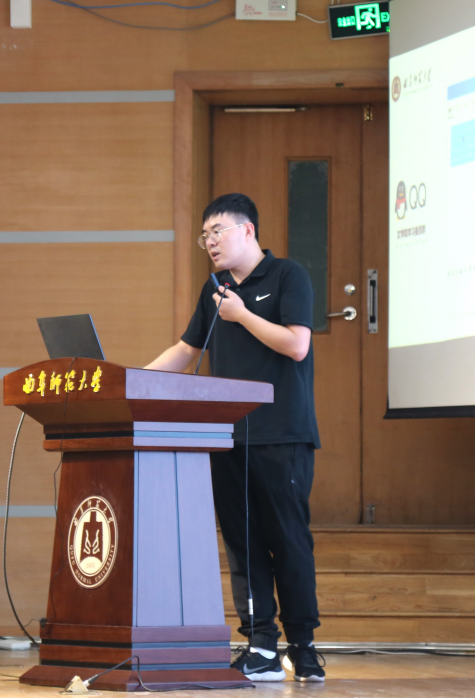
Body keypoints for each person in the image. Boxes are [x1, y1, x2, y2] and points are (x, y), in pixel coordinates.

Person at [145, 193, 324, 683]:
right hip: (227, 438)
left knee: (288, 541)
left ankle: (304, 647)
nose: (210, 242)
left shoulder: (288, 276)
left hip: (282, 435)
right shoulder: (216, 290)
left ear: (248, 230)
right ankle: (260, 644)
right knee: (242, 545)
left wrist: (242, 314)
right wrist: (132, 380)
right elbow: (186, 350)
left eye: (217, 231)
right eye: (204, 235)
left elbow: (297, 344)